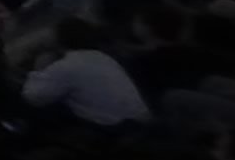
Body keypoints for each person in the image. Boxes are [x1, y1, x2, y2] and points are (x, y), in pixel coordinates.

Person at [19, 16, 152, 129]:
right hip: (139, 122)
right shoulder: (103, 57)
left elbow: (33, 97)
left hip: (114, 130)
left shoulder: (69, 66)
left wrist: (39, 69)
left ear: (59, 39)